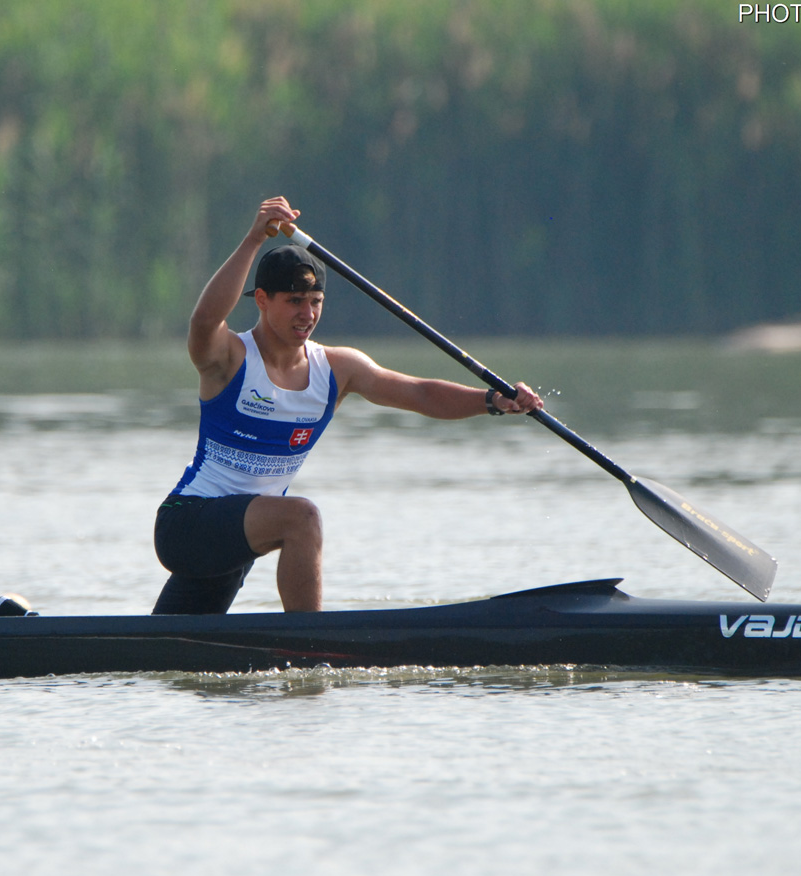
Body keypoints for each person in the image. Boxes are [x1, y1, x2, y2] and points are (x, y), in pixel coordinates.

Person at [151, 196, 544, 616]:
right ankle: (312, 651)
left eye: (315, 301)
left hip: (241, 536)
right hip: (188, 522)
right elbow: (204, 321)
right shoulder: (229, 359)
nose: (307, 314)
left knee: (167, 649)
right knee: (302, 518)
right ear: (262, 300)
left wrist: (492, 400)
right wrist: (252, 240)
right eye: (294, 301)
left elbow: (420, 393)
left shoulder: (337, 369)